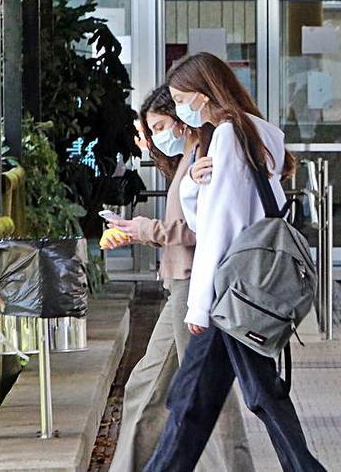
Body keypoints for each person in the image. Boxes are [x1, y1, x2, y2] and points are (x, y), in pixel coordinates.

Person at [143, 52, 324, 472]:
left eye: (183, 99)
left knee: (202, 399)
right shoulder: (259, 131)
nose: (184, 111)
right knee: (211, 398)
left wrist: (198, 305)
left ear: (204, 94)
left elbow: (218, 227)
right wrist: (190, 182)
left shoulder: (227, 134)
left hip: (231, 289)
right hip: (249, 286)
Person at [104, 86, 254, 472]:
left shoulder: (203, 156)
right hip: (182, 285)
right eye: (150, 131)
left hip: (191, 286)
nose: (155, 137)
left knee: (193, 392)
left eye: (160, 125)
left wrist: (144, 229)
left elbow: (197, 229)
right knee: (152, 386)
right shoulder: (189, 156)